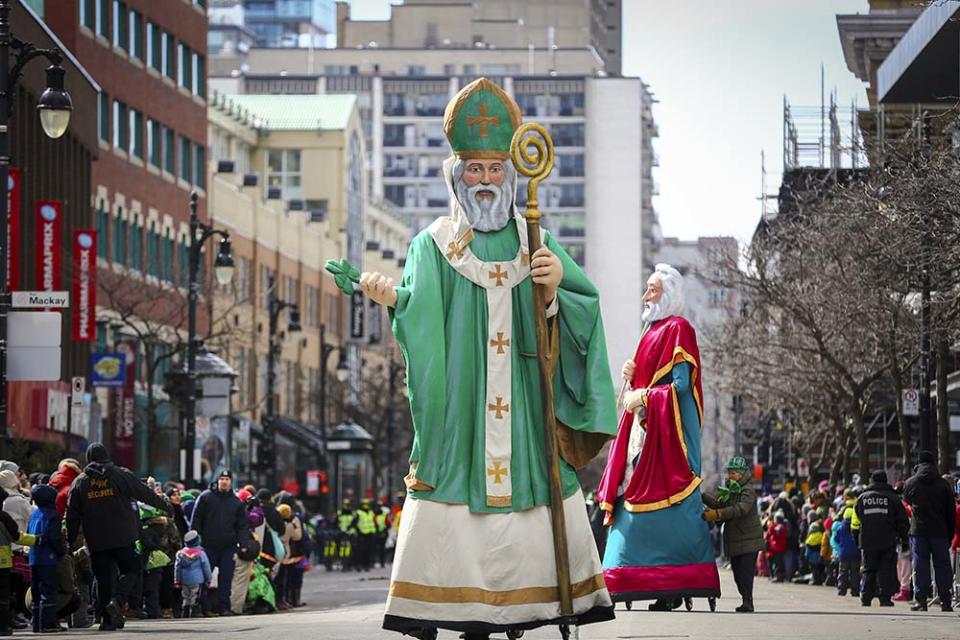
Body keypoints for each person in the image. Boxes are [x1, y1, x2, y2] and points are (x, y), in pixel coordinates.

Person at [362, 77, 617, 639]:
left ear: (511, 172)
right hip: (463, 408)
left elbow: (583, 308)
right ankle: (448, 603)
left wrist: (552, 295)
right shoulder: (431, 244)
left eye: (493, 168)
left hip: (525, 400)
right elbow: (421, 316)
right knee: (452, 477)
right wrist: (397, 303)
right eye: (473, 169)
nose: (484, 180)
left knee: (533, 480)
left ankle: (532, 604)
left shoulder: (536, 240)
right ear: (457, 174)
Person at [597, 264, 721, 610]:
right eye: (647, 289)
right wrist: (632, 379)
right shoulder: (650, 330)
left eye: (651, 290)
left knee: (654, 508)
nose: (645, 296)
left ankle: (671, 584)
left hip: (666, 439)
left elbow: (681, 387)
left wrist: (645, 396)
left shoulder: (678, 328)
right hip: (641, 431)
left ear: (668, 294)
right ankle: (634, 577)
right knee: (627, 497)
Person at [65, 443, 172, 631]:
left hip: (96, 540)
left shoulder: (80, 482)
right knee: (132, 568)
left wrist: (70, 541)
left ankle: (107, 620)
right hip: (123, 536)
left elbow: (72, 515)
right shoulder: (121, 475)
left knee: (103, 579)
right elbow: (144, 493)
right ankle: (118, 601)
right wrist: (166, 506)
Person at [701, 456, 763, 612]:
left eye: (733, 473)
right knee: (737, 574)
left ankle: (748, 602)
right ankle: (745, 600)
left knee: (745, 573)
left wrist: (718, 514)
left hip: (749, 540)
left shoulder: (747, 491)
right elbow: (719, 504)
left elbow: (741, 509)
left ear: (742, 474)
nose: (731, 476)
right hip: (735, 539)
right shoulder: (730, 490)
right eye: (729, 473)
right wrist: (701, 496)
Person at [189, 470, 249, 617]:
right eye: (221, 478)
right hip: (207, 546)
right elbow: (196, 520)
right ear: (217, 481)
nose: (224, 481)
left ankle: (224, 607)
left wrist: (243, 544)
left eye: (227, 479)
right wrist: (194, 541)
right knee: (203, 578)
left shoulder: (236, 503)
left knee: (226, 579)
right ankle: (202, 607)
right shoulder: (205, 497)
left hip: (228, 547)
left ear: (231, 482)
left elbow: (242, 526)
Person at [903, 450, 956, 612]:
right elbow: (951, 511)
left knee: (920, 564)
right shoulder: (943, 484)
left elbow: (906, 501)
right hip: (940, 531)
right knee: (943, 565)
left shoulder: (911, 483)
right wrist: (949, 533)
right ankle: (946, 601)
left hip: (919, 531)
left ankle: (921, 600)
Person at [855, 470, 909, 607]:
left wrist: (857, 540)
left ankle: (866, 597)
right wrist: (905, 540)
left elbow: (856, 519)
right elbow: (902, 521)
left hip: (868, 540)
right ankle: (885, 598)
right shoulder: (893, 498)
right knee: (886, 569)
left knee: (869, 569)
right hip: (888, 539)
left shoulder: (862, 498)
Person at [28, 484, 66, 633]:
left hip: (33, 558)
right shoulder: (54, 515)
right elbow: (54, 537)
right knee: (49, 591)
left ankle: (36, 624)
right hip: (48, 558)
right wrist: (61, 551)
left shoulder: (33, 514)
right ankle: (48, 623)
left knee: (36, 592)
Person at [0, 486, 36, 637]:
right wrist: (37, 539)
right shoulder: (3, 517)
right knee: (2, 596)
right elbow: (17, 537)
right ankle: (2, 626)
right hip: (2, 562)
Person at [174, 531, 212, 620]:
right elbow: (206, 567)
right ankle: (194, 612)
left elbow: (177, 568)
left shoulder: (180, 554)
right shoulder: (201, 553)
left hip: (184, 579)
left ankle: (185, 612)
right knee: (195, 595)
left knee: (186, 596)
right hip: (197, 579)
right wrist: (208, 578)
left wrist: (177, 580)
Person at [831, 509, 860, 598]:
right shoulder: (857, 527)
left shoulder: (840, 528)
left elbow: (836, 539)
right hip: (855, 553)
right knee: (855, 572)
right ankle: (855, 590)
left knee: (843, 572)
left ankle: (842, 589)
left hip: (843, 553)